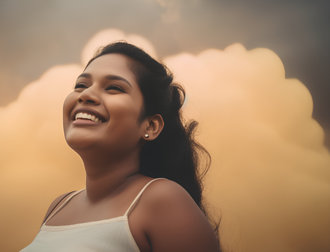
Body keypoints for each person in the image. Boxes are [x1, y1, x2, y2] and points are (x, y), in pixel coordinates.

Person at [21, 42, 220, 251]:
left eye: (114, 88)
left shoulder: (162, 199)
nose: (85, 95)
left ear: (150, 126)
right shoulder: (58, 207)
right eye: (81, 85)